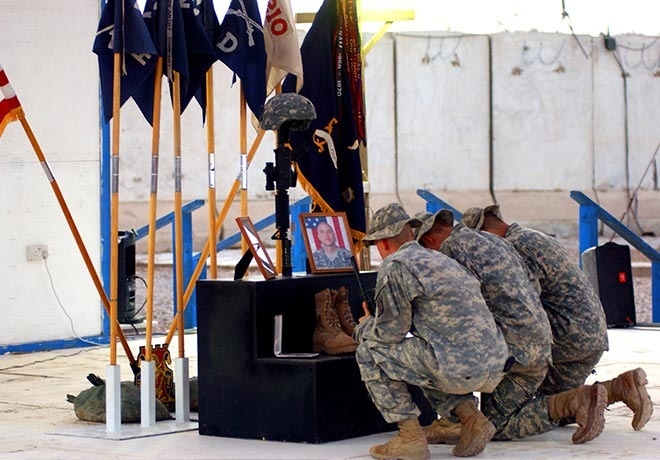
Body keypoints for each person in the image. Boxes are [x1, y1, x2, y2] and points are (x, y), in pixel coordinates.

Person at [415, 209, 608, 445]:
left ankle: (453, 420)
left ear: (427, 240)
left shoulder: (481, 246)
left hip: (563, 338)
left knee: (489, 424)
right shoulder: (524, 238)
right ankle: (618, 388)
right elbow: (531, 290)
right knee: (555, 408)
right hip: (584, 338)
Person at [461, 204, 653, 431]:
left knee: (495, 422)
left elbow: (519, 306)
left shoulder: (512, 247)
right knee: (563, 408)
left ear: (484, 234)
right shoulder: (533, 236)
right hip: (591, 335)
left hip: (566, 335)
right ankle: (619, 387)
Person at [353, 203, 512, 459]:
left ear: (383, 242)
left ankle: (409, 437)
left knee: (369, 352)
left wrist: (363, 327)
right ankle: (472, 420)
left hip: (457, 368)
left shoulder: (396, 265)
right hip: (494, 364)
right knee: (426, 357)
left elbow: (390, 332)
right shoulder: (442, 259)